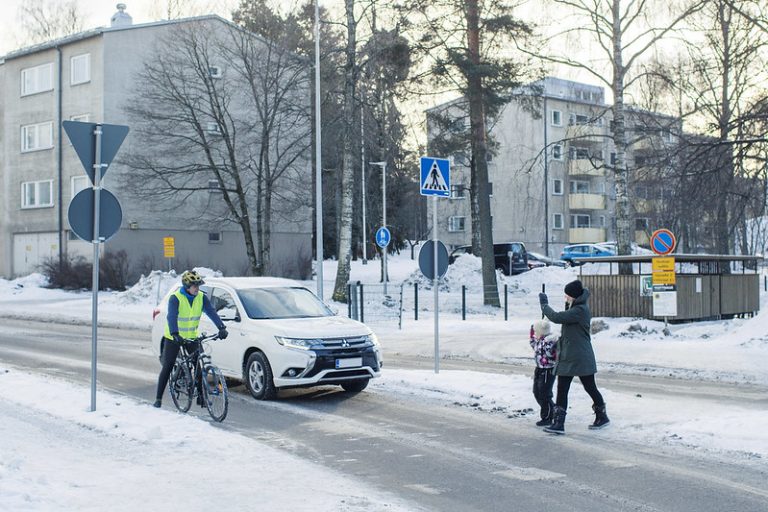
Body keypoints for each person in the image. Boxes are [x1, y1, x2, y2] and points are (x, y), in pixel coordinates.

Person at [538, 279, 610, 434]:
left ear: (574, 296)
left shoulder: (579, 310)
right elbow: (565, 317)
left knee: (571, 387)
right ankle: (601, 416)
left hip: (576, 357)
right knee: (580, 387)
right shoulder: (578, 307)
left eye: (567, 296)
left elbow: (557, 317)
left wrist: (544, 305)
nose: (566, 298)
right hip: (576, 356)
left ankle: (559, 423)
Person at [153, 270, 228, 408]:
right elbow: (172, 317)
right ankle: (158, 399)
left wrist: (221, 327)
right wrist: (175, 333)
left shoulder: (201, 297)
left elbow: (211, 311)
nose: (197, 289)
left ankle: (201, 396)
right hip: (173, 337)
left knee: (199, 365)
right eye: (195, 286)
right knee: (168, 365)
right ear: (187, 286)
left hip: (191, 337)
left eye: (198, 286)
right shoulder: (175, 298)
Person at [529, 319, 558, 427]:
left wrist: (551, 357)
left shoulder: (549, 341)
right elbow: (533, 343)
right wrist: (531, 332)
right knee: (536, 392)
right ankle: (553, 410)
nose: (535, 333)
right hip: (539, 369)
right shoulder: (539, 340)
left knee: (544, 394)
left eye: (536, 331)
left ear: (541, 331)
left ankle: (548, 416)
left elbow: (553, 353)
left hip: (548, 370)